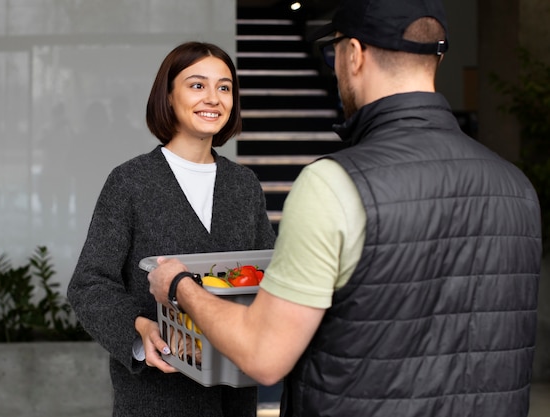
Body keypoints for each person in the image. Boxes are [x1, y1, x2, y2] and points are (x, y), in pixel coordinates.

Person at [146, 1, 543, 417]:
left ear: (353, 54)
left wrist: (179, 286)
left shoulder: (334, 184)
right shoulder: (516, 186)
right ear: (435, 57)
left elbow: (265, 356)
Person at [67, 42, 276, 417]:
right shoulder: (130, 182)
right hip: (155, 399)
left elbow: (267, 277)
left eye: (224, 87)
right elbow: (89, 283)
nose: (213, 98)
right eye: (197, 85)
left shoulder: (244, 186)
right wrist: (139, 330)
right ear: (168, 96)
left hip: (235, 398)